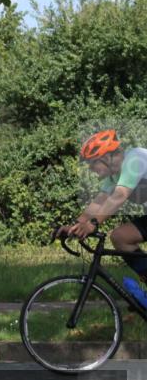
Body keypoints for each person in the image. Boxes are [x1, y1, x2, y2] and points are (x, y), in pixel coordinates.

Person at [64, 129, 147, 305]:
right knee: (120, 237)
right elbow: (99, 202)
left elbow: (119, 196)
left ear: (106, 157)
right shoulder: (114, 174)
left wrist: (93, 224)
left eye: (92, 164)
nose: (90, 169)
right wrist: (76, 225)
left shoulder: (135, 159)